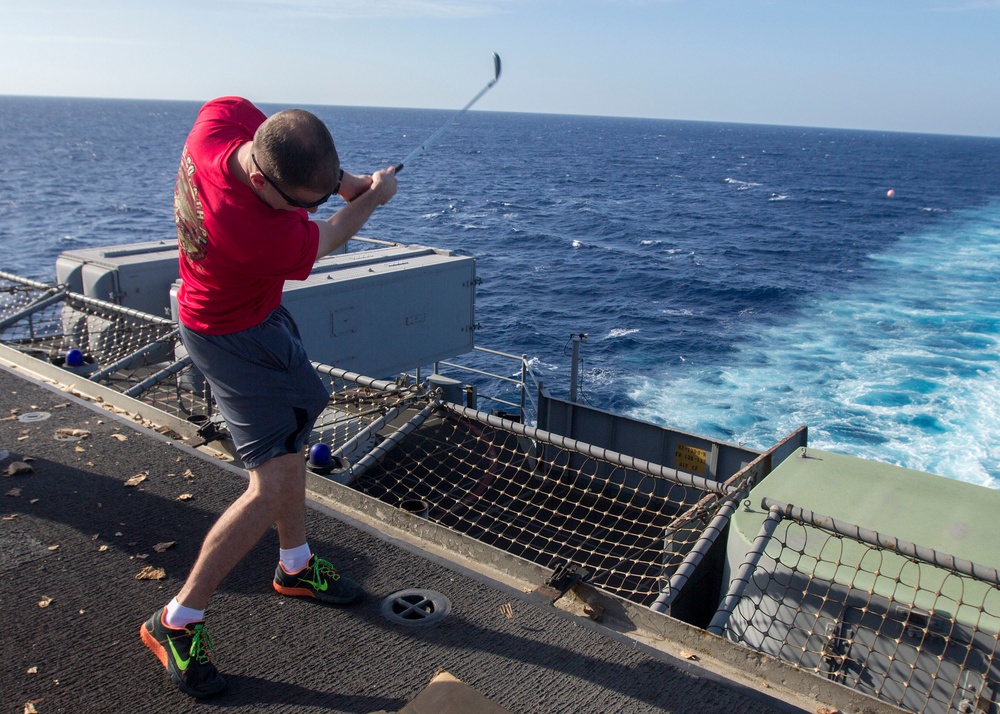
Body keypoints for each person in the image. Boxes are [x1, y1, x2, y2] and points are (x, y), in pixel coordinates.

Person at [140, 96, 397, 698]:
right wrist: (372, 200)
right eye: (300, 203)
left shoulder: (222, 119)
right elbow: (330, 235)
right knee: (270, 487)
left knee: (304, 409)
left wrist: (343, 181)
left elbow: (302, 165)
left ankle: (297, 563)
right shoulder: (252, 233)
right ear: (262, 181)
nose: (306, 212)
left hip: (246, 315)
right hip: (234, 338)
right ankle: (176, 620)